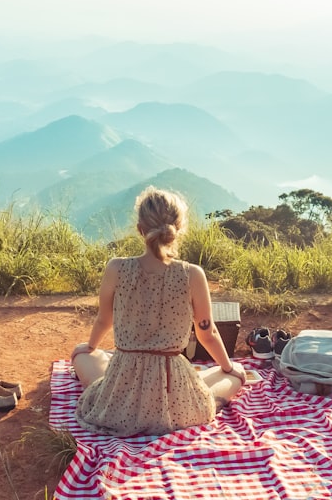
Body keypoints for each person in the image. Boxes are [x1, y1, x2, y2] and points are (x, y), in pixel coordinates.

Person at [70, 186, 247, 437]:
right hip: (173, 388)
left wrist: (90, 346)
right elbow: (208, 333)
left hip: (123, 384)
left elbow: (104, 320)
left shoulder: (116, 268)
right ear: (178, 229)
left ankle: (104, 368)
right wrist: (229, 367)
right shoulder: (192, 274)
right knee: (232, 375)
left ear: (140, 228)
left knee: (81, 355)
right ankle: (225, 378)